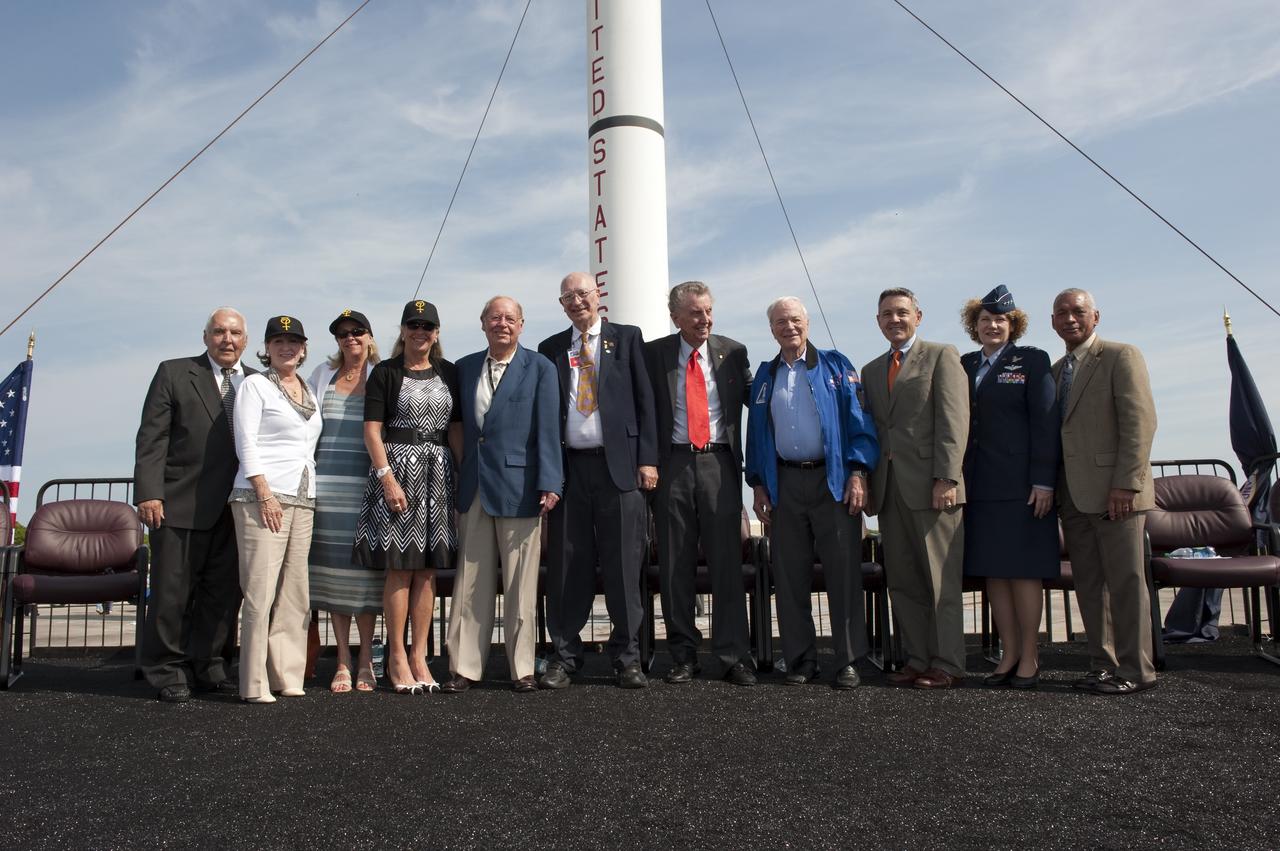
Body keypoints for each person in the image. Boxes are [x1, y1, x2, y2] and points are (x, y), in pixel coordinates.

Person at [745, 296, 879, 688]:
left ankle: (848, 660)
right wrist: (757, 484)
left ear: (807, 323)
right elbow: (756, 435)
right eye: (781, 322)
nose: (789, 327)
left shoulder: (836, 366)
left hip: (832, 480)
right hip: (784, 484)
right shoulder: (766, 376)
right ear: (772, 330)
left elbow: (860, 422)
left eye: (795, 320)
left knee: (843, 573)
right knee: (789, 577)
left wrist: (858, 472)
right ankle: (801, 659)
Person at [536, 272, 658, 689]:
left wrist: (648, 460)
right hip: (570, 472)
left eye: (583, 293)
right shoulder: (551, 349)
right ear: (562, 304)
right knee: (568, 567)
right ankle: (565, 656)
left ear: (597, 295)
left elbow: (646, 402)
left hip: (620, 469)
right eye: (568, 296)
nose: (577, 301)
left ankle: (627, 658)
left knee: (624, 565)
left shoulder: (626, 338)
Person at [441, 296, 562, 694]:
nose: (502, 324)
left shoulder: (540, 368)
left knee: (520, 584)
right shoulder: (465, 368)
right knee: (470, 581)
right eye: (495, 317)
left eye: (510, 318)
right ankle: (464, 667)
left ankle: (522, 668)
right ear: (483, 323)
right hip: (475, 486)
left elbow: (547, 429)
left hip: (521, 487)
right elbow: (457, 425)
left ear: (522, 325)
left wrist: (551, 482)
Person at [134, 307, 256, 703]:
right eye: (219, 332)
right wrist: (149, 491)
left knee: (222, 595)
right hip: (179, 503)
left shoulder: (258, 383)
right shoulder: (173, 372)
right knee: (172, 592)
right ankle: (165, 668)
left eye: (235, 333)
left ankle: (211, 666)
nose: (227, 340)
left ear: (246, 340)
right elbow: (152, 438)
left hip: (235, 507)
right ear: (205, 337)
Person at [644, 281, 756, 686]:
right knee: (675, 564)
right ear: (675, 317)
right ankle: (683, 655)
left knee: (727, 563)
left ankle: (732, 656)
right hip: (671, 465)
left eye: (708, 311)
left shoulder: (734, 352)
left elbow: (758, 403)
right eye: (695, 313)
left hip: (719, 464)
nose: (705, 319)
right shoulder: (654, 354)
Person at [861, 287, 969, 689]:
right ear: (878, 321)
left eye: (902, 312)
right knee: (903, 581)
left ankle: (948, 663)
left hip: (932, 486)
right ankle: (918, 658)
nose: (895, 320)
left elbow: (954, 422)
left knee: (940, 580)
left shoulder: (942, 355)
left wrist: (947, 478)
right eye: (887, 313)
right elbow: (873, 430)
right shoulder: (872, 370)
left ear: (918, 316)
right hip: (890, 490)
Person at [1052, 287, 1158, 695]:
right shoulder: (1056, 369)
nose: (1070, 318)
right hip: (1074, 498)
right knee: (1090, 586)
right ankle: (1103, 664)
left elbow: (1140, 423)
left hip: (1118, 494)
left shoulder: (1120, 356)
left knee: (1126, 583)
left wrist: (1126, 483)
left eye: (1078, 311)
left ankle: (1136, 669)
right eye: (1061, 313)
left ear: (1096, 316)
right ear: (1053, 322)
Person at [353, 299, 460, 695]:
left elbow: (457, 429)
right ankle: (396, 655)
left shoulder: (449, 372)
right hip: (398, 472)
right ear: (401, 330)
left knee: (428, 570)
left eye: (428, 326)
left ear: (436, 333)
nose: (420, 331)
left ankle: (419, 655)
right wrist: (387, 479)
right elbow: (372, 431)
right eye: (413, 325)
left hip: (439, 475)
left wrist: (462, 477)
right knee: (399, 567)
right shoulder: (385, 372)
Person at [958, 285, 1059, 689]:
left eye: (1000, 320)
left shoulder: (1032, 361)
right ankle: (1009, 653)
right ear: (974, 326)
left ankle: (1030, 656)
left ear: (1012, 325)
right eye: (985, 320)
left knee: (1024, 573)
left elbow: (1046, 423)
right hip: (980, 486)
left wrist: (1044, 480)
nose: (992, 326)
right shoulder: (963, 364)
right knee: (994, 574)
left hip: (1022, 486)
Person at [230, 315, 324, 704]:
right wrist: (264, 493)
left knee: (295, 592)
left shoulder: (308, 389)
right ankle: (253, 683)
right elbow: (245, 441)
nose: (287, 348)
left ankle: (287, 673)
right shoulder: (254, 385)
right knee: (260, 591)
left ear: (304, 348)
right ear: (265, 348)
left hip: (303, 498)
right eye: (279, 341)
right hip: (261, 499)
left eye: (294, 341)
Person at [307, 309, 382, 694]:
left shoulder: (383, 375)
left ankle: (367, 659)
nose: (350, 339)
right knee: (333, 576)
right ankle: (341, 659)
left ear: (370, 336)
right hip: (327, 488)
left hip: (369, 487)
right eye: (343, 334)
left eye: (357, 332)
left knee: (366, 577)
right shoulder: (322, 375)